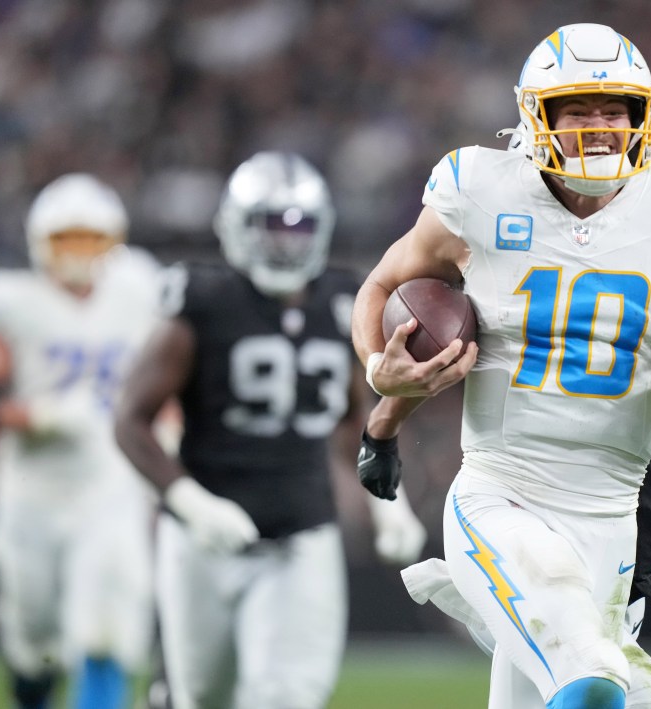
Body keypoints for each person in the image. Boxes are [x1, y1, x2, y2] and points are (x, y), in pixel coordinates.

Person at [350, 23, 651, 709]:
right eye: (578, 108)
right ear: (537, 115)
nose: (600, 126)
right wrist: (379, 373)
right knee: (595, 681)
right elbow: (379, 286)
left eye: (615, 109)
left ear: (642, 117)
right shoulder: (479, 191)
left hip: (611, 526)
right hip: (502, 496)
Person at [361, 230, 651, 709]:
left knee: (607, 677)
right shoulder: (505, 222)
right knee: (590, 675)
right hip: (524, 507)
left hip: (621, 560)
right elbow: (437, 341)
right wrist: (384, 418)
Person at [113, 151, 427, 709]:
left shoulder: (340, 302)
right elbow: (130, 420)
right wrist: (190, 502)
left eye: (300, 226)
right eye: (271, 227)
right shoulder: (203, 302)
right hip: (201, 541)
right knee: (200, 698)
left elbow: (351, 419)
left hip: (300, 534)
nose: (286, 243)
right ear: (236, 228)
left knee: (286, 696)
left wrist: (387, 503)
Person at [0, 173, 164, 709]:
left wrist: (170, 431)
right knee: (34, 638)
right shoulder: (13, 301)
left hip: (109, 480)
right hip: (33, 490)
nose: (78, 255)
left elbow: (171, 371)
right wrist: (39, 415)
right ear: (39, 244)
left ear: (113, 241)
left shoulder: (138, 289)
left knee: (108, 619)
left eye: (90, 240)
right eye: (66, 240)